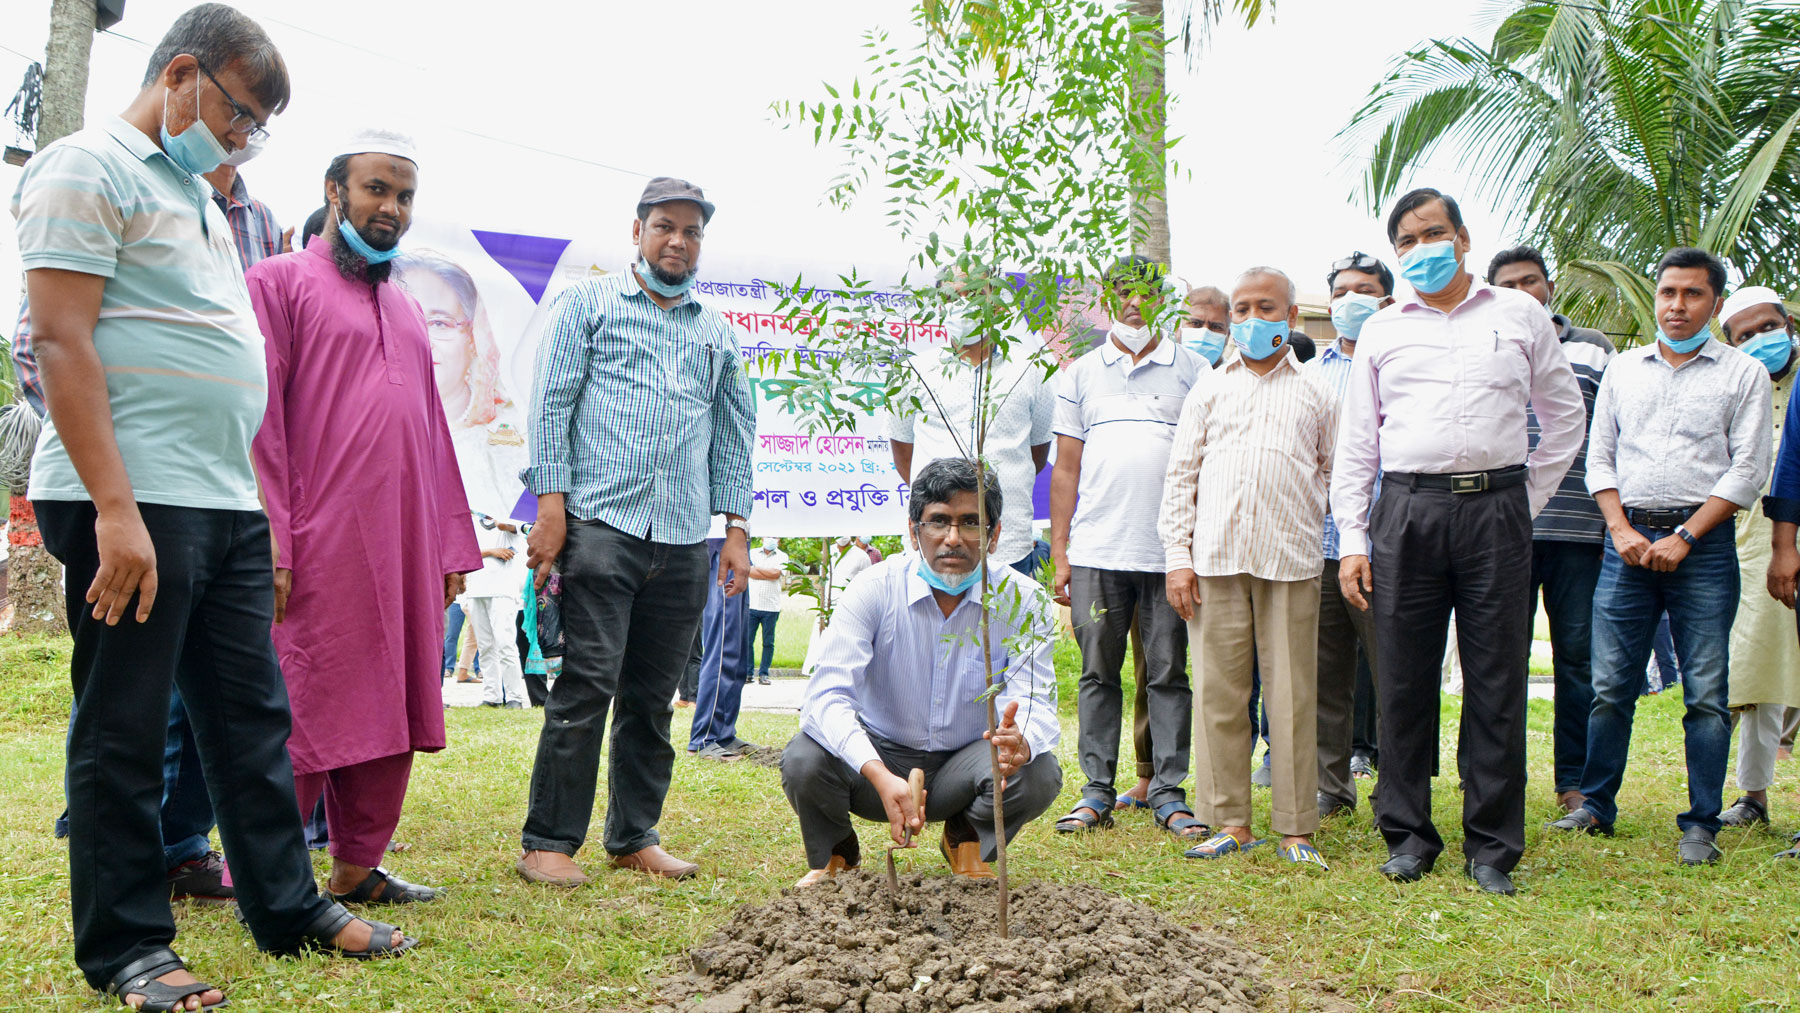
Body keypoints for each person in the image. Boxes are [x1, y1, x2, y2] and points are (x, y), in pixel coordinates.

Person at [13, 6, 416, 1006]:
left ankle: (286, 903)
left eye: (256, 129)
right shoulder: (85, 165)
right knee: (126, 725)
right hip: (132, 495)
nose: (242, 140)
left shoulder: (196, 191)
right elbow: (61, 342)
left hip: (220, 496)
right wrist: (114, 508)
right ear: (183, 75)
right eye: (240, 116)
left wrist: (254, 504)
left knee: (251, 716)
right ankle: (130, 945)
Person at [248, 128, 482, 904]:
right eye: (377, 189)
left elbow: (432, 433)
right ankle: (275, 880)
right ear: (334, 192)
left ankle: (357, 866)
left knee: (394, 699)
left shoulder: (408, 309)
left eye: (404, 195)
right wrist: (275, 538)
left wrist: (450, 541)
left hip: (404, 543)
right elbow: (260, 422)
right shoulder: (276, 282)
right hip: (318, 542)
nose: (391, 207)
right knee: (305, 704)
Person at [1332, 188, 1586, 895]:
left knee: (1496, 679)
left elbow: (1563, 420)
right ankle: (1409, 836)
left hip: (1497, 510)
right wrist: (1354, 537)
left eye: (1434, 233)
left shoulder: (1519, 314)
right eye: (1407, 241)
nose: (1422, 249)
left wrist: (1521, 501)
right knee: (1405, 680)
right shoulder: (1383, 330)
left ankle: (1494, 846)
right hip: (1406, 511)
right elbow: (1358, 444)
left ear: (1465, 238)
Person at [517, 177, 755, 885]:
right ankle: (548, 842)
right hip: (600, 523)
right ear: (637, 231)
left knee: (653, 697)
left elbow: (736, 435)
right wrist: (551, 508)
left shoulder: (715, 330)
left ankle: (633, 834)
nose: (678, 241)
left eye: (691, 231)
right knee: (587, 684)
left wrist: (735, 529)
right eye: (665, 227)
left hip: (683, 537)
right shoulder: (586, 306)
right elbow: (551, 404)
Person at [1549, 248, 1771, 867]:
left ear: (1715, 304)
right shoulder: (1624, 369)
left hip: (1702, 549)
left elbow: (1748, 468)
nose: (1677, 306)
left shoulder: (1742, 374)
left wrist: (1688, 537)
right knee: (1609, 686)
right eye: (1668, 293)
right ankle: (1595, 806)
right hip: (1627, 547)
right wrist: (1618, 528)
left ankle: (1701, 823)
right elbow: (1600, 456)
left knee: (1705, 691)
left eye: (1692, 295)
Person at [781, 458, 1061, 885]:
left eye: (972, 523)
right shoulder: (873, 589)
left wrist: (1019, 739)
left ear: (995, 534)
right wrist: (876, 771)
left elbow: (1036, 701)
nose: (954, 538)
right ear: (914, 532)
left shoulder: (1024, 601)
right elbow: (826, 699)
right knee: (804, 759)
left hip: (967, 764)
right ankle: (837, 854)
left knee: (1038, 772)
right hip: (877, 761)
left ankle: (966, 838)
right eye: (938, 522)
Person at [1160, 267, 1339, 868]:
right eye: (1242, 309)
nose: (1252, 319)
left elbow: (1337, 474)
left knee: (1291, 695)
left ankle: (1295, 826)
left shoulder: (1318, 391)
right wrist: (1177, 561)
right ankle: (1228, 819)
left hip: (1290, 561)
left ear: (1292, 317)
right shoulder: (1209, 389)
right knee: (1219, 693)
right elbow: (1181, 477)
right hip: (1214, 562)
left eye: (1267, 308)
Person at [1050, 256, 1206, 839]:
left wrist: (1189, 550)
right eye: (1123, 292)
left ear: (1161, 298)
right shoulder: (1081, 373)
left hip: (1168, 554)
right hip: (1096, 552)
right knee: (1097, 673)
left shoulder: (1192, 369)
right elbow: (1065, 471)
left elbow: (1202, 464)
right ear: (1107, 298)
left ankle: (1168, 791)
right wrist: (1061, 553)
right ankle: (1096, 791)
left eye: (1146, 293)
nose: (1134, 303)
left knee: (1167, 672)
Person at [1487, 245, 1616, 814]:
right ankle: (1495, 778)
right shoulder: (1481, 343)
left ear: (1550, 286)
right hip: (1502, 531)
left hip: (1579, 532)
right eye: (1509, 284)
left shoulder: (1594, 349)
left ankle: (1575, 785)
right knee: (1498, 659)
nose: (1523, 293)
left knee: (1577, 659)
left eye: (1531, 281)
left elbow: (1611, 433)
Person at [891, 268, 1054, 576]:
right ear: (939, 304)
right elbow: (904, 458)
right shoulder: (914, 372)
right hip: (936, 543)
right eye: (953, 296)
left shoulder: (1032, 371)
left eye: (977, 294)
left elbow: (1037, 456)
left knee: (1008, 623)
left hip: (1008, 544)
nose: (964, 305)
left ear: (999, 303)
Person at [1310, 252, 1393, 819]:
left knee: (1397, 677)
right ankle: (1332, 789)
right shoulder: (1311, 373)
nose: (1350, 300)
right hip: (1319, 548)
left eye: (1364, 290)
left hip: (1390, 544)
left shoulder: (1402, 360)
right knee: (1325, 677)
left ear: (1387, 299)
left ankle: (1399, 789)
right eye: (1342, 291)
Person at [1714, 287, 1799, 829]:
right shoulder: (1732, 386)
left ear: (1788, 321)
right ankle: (1753, 795)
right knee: (1759, 668)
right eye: (1745, 336)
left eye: (1768, 327)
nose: (1759, 340)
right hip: (1755, 541)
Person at [394, 249, 528, 524]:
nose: (422, 339)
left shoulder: (513, 436)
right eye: (404, 319)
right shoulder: (361, 427)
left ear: (473, 337)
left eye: (439, 323)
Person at [688, 534, 757, 760]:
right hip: (722, 550)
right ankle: (704, 738)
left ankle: (724, 734)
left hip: (739, 552)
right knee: (722, 650)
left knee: (738, 652)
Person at [464, 512, 530, 708]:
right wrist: (491, 552)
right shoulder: (472, 522)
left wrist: (500, 518)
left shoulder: (508, 518)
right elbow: (464, 551)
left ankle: (514, 697)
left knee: (505, 643)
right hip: (476, 588)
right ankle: (491, 695)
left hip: (502, 589)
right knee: (485, 646)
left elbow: (512, 527)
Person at [745, 538, 789, 685]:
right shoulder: (752, 553)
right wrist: (765, 573)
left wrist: (756, 570)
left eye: (775, 537)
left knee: (768, 642)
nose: (771, 539)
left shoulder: (782, 556)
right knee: (747, 640)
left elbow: (776, 574)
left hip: (771, 607)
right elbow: (747, 571)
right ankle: (748, 672)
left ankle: (764, 674)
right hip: (752, 604)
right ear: (763, 538)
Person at [1181, 284, 1231, 365]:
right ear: (1177, 328)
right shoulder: (1157, 371)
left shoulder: (1236, 377)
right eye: (1195, 323)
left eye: (1216, 327)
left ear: (1228, 335)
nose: (1204, 334)